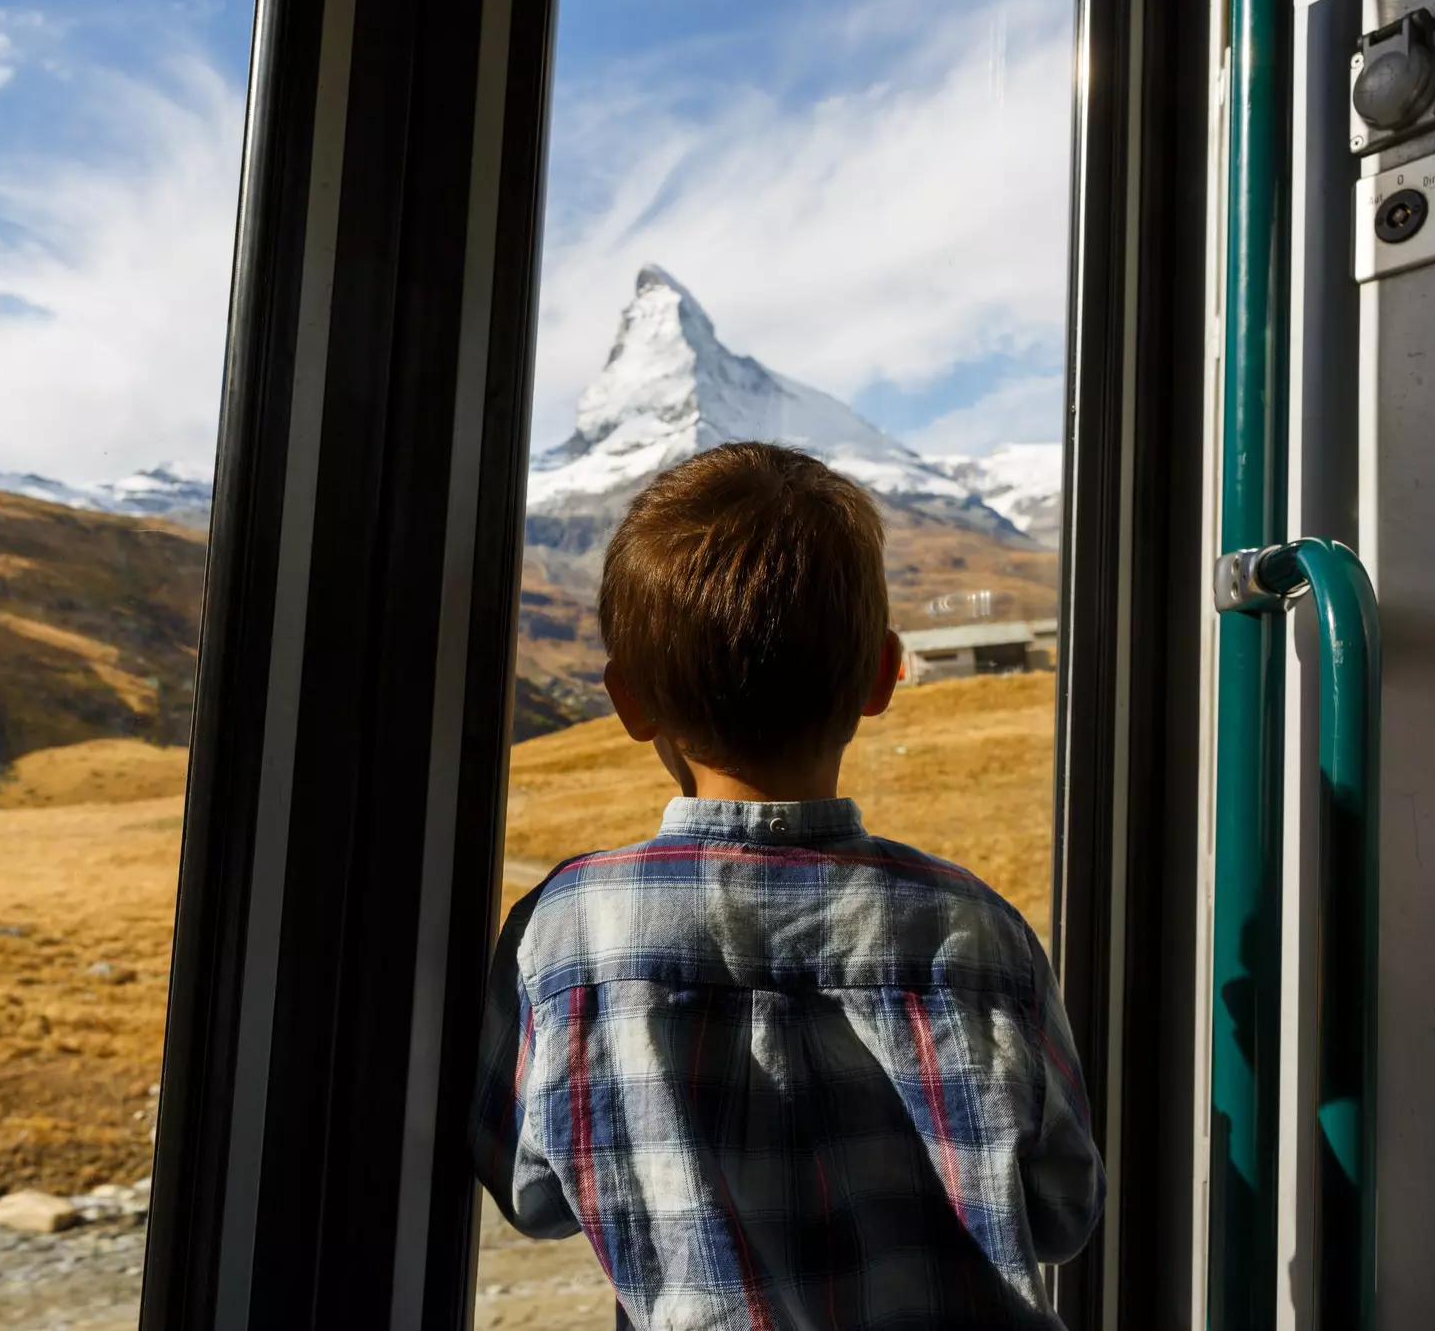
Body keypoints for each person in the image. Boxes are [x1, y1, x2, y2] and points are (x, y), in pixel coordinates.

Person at [471, 442, 1103, 1330]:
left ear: (628, 700)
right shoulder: (978, 930)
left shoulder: (565, 930)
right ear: (886, 675)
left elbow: (531, 1192)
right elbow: (1061, 1208)